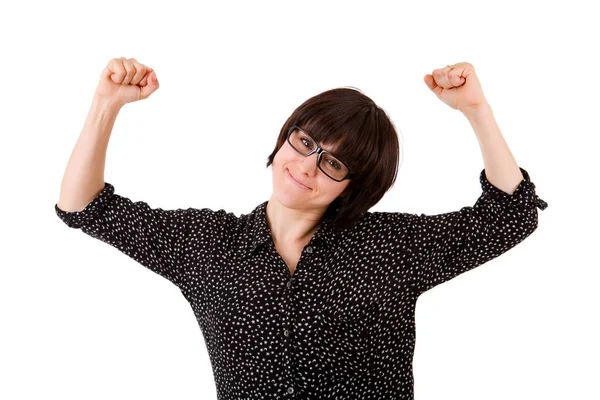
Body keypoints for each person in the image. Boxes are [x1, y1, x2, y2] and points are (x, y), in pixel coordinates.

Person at [55, 57, 548, 399]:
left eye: (333, 163)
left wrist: (477, 112)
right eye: (305, 141)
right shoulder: (206, 245)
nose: (308, 166)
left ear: (353, 187)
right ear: (284, 137)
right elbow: (82, 207)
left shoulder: (388, 248)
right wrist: (106, 104)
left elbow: (511, 214)